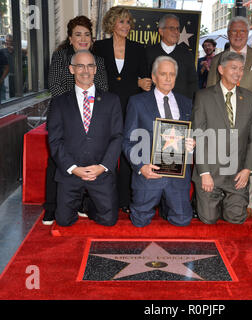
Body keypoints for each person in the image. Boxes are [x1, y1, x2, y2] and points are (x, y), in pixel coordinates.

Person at [43, 15, 109, 225]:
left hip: (91, 117)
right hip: (65, 117)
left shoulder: (96, 61)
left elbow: (103, 89)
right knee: (57, 163)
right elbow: (55, 87)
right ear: (70, 38)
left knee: (90, 156)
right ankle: (51, 207)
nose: (83, 38)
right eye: (78, 34)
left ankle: (82, 203)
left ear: (92, 38)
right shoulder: (60, 57)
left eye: (87, 34)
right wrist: (76, 106)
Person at [47, 50, 123, 227]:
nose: (85, 70)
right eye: (80, 66)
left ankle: (88, 204)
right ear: (72, 69)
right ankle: (78, 200)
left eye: (90, 66)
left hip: (100, 172)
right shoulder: (59, 102)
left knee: (108, 221)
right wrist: (73, 168)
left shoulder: (112, 101)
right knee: (64, 221)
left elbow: (117, 136)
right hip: (71, 172)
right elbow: (55, 141)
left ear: (96, 69)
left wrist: (102, 167)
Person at [206, 16, 252, 218]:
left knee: (247, 159)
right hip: (221, 118)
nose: (237, 35)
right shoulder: (218, 59)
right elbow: (209, 90)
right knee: (220, 158)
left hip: (249, 120)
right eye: (234, 31)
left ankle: (248, 202)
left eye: (242, 31)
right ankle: (220, 199)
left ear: (247, 34)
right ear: (228, 34)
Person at [123, 56, 194, 227]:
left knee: (183, 221)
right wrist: (141, 167)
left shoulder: (187, 103)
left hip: (178, 175)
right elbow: (127, 141)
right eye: (163, 74)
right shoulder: (137, 102)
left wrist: (193, 145)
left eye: (172, 74)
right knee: (139, 222)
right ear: (154, 77)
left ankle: (167, 209)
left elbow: (194, 133)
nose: (168, 78)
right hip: (149, 172)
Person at [93, 6, 152, 213]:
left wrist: (143, 83)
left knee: (128, 154)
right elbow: (95, 77)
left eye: (128, 22)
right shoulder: (99, 47)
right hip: (105, 107)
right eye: (121, 21)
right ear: (112, 24)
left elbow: (144, 78)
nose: (126, 26)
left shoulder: (138, 48)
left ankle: (125, 200)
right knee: (105, 151)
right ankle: (103, 199)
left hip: (130, 106)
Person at [192, 51, 252, 225]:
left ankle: (227, 201)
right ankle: (204, 200)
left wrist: (247, 170)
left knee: (236, 218)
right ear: (221, 69)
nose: (238, 72)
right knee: (208, 219)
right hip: (211, 172)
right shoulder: (203, 96)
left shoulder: (251, 99)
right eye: (233, 68)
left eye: (241, 69)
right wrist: (204, 173)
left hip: (236, 173)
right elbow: (198, 135)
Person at [146, 14, 198, 100]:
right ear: (161, 31)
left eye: (177, 28)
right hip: (153, 106)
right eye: (172, 28)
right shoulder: (148, 52)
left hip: (181, 107)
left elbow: (193, 83)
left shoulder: (187, 54)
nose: (176, 32)